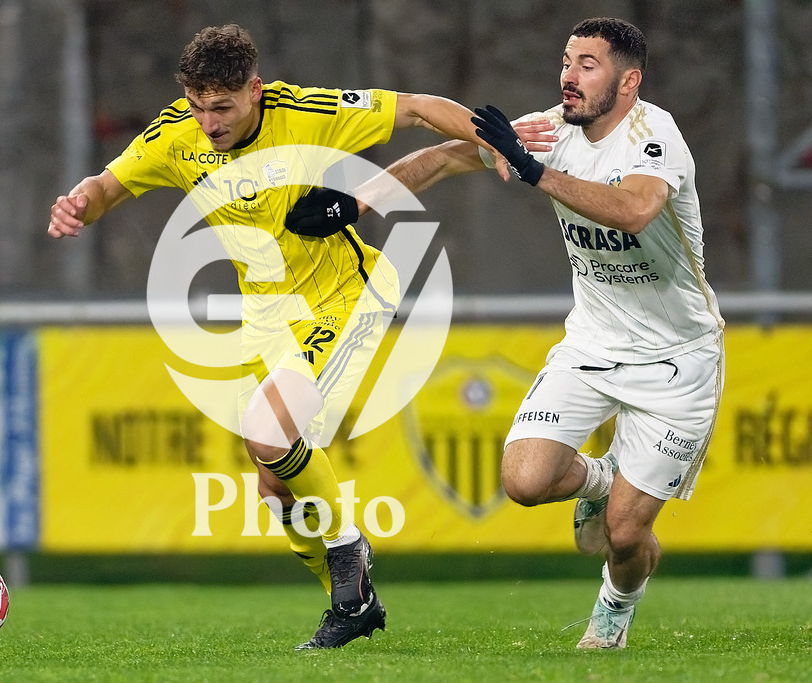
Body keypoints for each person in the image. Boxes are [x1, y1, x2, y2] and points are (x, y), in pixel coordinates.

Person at [47, 23, 551, 650]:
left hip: (344, 297)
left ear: (255, 91)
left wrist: (492, 140)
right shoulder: (176, 135)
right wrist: (78, 202)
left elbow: (419, 109)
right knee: (274, 481)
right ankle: (354, 602)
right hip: (267, 321)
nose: (209, 121)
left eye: (222, 107)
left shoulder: (305, 111)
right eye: (199, 106)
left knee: (268, 431)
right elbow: (106, 189)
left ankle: (348, 554)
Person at [289, 17, 724, 650]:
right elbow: (440, 158)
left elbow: (634, 211)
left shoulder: (655, 135)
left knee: (625, 536)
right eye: (566, 62)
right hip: (592, 346)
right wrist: (352, 203)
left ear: (629, 81)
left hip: (678, 361)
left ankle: (615, 605)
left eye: (588, 65)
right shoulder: (548, 132)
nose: (568, 77)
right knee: (523, 482)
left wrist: (530, 171)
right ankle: (601, 481)